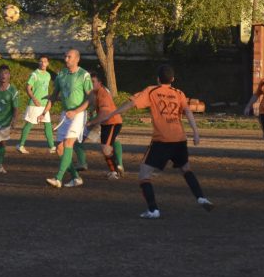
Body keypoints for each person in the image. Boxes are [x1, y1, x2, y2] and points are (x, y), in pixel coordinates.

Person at [88, 64, 213, 218]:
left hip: (162, 139)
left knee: (144, 175)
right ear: (172, 79)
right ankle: (201, 197)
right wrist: (196, 132)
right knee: (186, 169)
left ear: (157, 78)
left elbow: (131, 103)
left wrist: (112, 113)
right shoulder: (179, 93)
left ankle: (153, 210)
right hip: (180, 139)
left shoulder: (152, 91)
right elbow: (188, 111)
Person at [43, 49, 92, 189]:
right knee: (59, 149)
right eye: (65, 56)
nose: (66, 59)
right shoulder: (61, 74)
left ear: (77, 59)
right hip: (65, 115)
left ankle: (58, 178)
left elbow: (91, 98)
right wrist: (44, 112)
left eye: (69, 57)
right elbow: (54, 95)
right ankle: (76, 178)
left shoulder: (84, 75)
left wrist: (76, 110)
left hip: (78, 114)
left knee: (69, 143)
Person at [15, 55, 57, 155]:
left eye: (45, 61)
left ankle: (52, 147)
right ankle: (20, 145)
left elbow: (45, 89)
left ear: (48, 63)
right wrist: (34, 99)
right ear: (39, 63)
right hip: (34, 104)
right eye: (41, 61)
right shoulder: (34, 74)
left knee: (48, 124)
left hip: (44, 104)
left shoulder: (48, 75)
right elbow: (28, 88)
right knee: (29, 124)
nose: (43, 63)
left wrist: (48, 99)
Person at [86, 72, 124, 179]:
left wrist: (91, 122)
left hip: (112, 122)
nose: (90, 83)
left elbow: (104, 113)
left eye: (93, 82)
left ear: (100, 83)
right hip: (106, 123)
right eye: (89, 81)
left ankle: (115, 171)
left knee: (106, 148)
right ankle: (116, 169)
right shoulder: (95, 92)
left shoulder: (103, 94)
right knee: (106, 148)